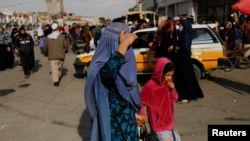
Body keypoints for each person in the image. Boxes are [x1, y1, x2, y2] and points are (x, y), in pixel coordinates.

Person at [84, 22, 141, 141]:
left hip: (129, 123)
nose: (128, 50)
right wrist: (123, 45)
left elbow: (131, 91)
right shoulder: (100, 66)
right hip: (113, 126)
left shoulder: (125, 65)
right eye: (123, 43)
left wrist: (137, 113)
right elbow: (107, 73)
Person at [136, 57, 181, 141]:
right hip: (158, 125)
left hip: (169, 123)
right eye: (167, 75)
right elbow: (141, 102)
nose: (169, 78)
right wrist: (143, 115)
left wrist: (172, 89)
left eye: (171, 75)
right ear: (159, 72)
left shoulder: (167, 84)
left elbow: (174, 99)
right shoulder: (150, 86)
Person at [174, 18, 204, 103]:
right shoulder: (184, 33)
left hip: (184, 58)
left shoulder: (186, 34)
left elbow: (185, 48)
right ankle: (186, 95)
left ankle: (185, 97)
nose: (180, 27)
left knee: (185, 77)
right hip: (183, 58)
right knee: (185, 77)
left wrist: (178, 48)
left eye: (181, 25)